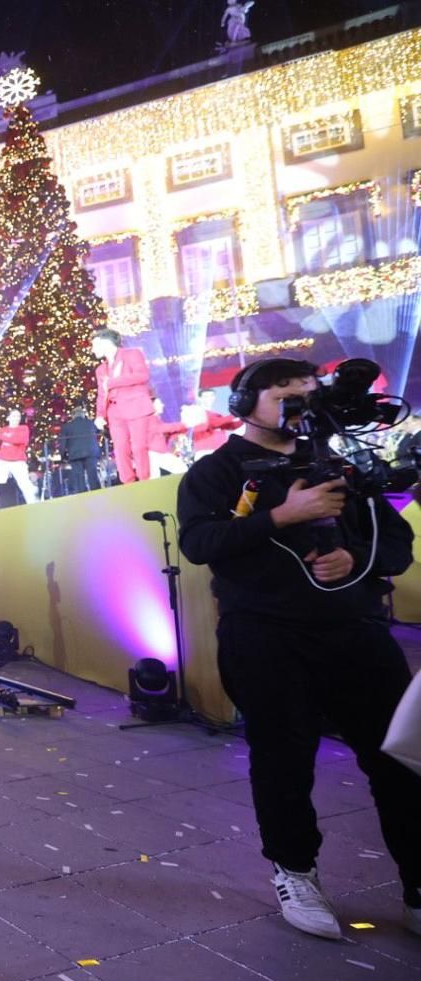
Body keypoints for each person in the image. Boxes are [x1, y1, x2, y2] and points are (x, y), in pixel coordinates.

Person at [177, 358, 421, 942]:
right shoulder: (215, 472)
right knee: (283, 762)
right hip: (265, 637)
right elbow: (201, 543)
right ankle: (294, 871)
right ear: (246, 405)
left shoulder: (342, 466)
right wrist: (284, 516)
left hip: (357, 631)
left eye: (310, 396)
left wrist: (355, 561)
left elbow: (395, 544)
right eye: (286, 396)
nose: (301, 407)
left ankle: (418, 882)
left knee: (400, 763)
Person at [93, 327, 156, 484]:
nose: (93, 350)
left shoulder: (132, 354)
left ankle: (145, 481)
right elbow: (101, 393)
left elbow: (142, 375)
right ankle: (128, 483)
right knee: (120, 449)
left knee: (139, 447)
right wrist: (100, 415)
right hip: (114, 411)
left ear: (106, 342)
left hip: (135, 406)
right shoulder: (101, 369)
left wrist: (113, 382)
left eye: (95, 345)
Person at [0, 410, 37, 505]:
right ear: (8, 418)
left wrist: (1, 436)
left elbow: (20, 439)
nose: (16, 418)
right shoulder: (3, 430)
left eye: (18, 416)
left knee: (24, 484)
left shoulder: (23, 428)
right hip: (2, 461)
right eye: (14, 416)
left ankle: (33, 504)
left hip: (18, 461)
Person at [57, 407, 103, 495]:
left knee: (79, 479)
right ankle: (97, 494)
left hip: (75, 455)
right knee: (93, 475)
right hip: (91, 452)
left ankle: (83, 496)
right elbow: (99, 432)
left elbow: (62, 444)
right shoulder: (91, 423)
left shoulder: (67, 427)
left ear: (72, 416)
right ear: (83, 414)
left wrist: (62, 457)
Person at [191, 389, 243, 458]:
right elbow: (214, 423)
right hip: (205, 450)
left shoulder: (217, 415)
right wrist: (233, 415)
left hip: (219, 450)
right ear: (199, 398)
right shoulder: (197, 412)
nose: (209, 398)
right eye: (206, 396)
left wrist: (243, 418)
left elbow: (231, 426)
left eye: (211, 396)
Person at [147, 398, 191, 477]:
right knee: (154, 477)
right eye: (159, 403)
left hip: (159, 453)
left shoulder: (157, 419)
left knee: (181, 469)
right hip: (153, 453)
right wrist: (183, 424)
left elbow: (165, 430)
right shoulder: (150, 419)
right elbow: (162, 428)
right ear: (152, 406)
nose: (162, 405)